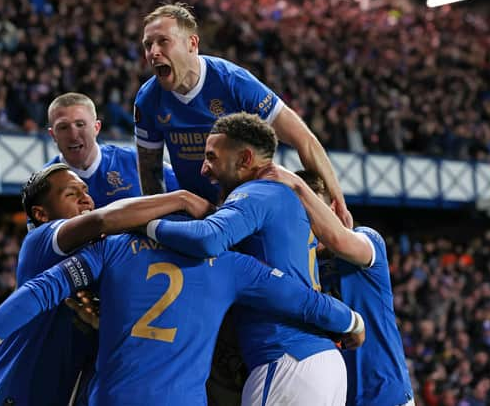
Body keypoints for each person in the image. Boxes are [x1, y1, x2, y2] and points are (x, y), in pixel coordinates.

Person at [0, 230, 366, 406]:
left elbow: (39, 290)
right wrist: (351, 321)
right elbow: (303, 301)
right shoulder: (228, 262)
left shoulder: (113, 247)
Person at [0, 163, 211, 406]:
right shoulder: (41, 242)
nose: (85, 198)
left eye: (85, 191)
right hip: (16, 393)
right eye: (71, 194)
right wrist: (181, 199)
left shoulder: (103, 257)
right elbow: (102, 220)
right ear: (41, 214)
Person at [145, 112, 349, 405]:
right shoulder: (280, 198)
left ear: (244, 160)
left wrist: (146, 225)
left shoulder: (257, 192)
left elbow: (207, 239)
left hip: (285, 359)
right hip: (314, 360)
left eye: (212, 157)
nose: (204, 169)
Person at [134, 3, 352, 229]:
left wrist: (339, 205)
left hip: (247, 211)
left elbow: (304, 140)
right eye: (148, 45)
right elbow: (150, 172)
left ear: (192, 44)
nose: (153, 52)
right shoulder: (147, 100)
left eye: (163, 41)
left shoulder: (233, 82)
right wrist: (157, 224)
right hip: (196, 213)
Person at [263, 168, 415, 406]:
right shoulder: (297, 264)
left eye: (310, 212)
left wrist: (294, 184)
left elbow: (337, 239)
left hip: (386, 397)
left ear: (332, 208)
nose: (306, 222)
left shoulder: (367, 240)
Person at [46, 92, 179, 209]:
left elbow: (184, 193)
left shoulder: (133, 160)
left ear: (96, 128)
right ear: (53, 135)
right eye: (63, 127)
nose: (73, 135)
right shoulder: (45, 184)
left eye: (80, 124)